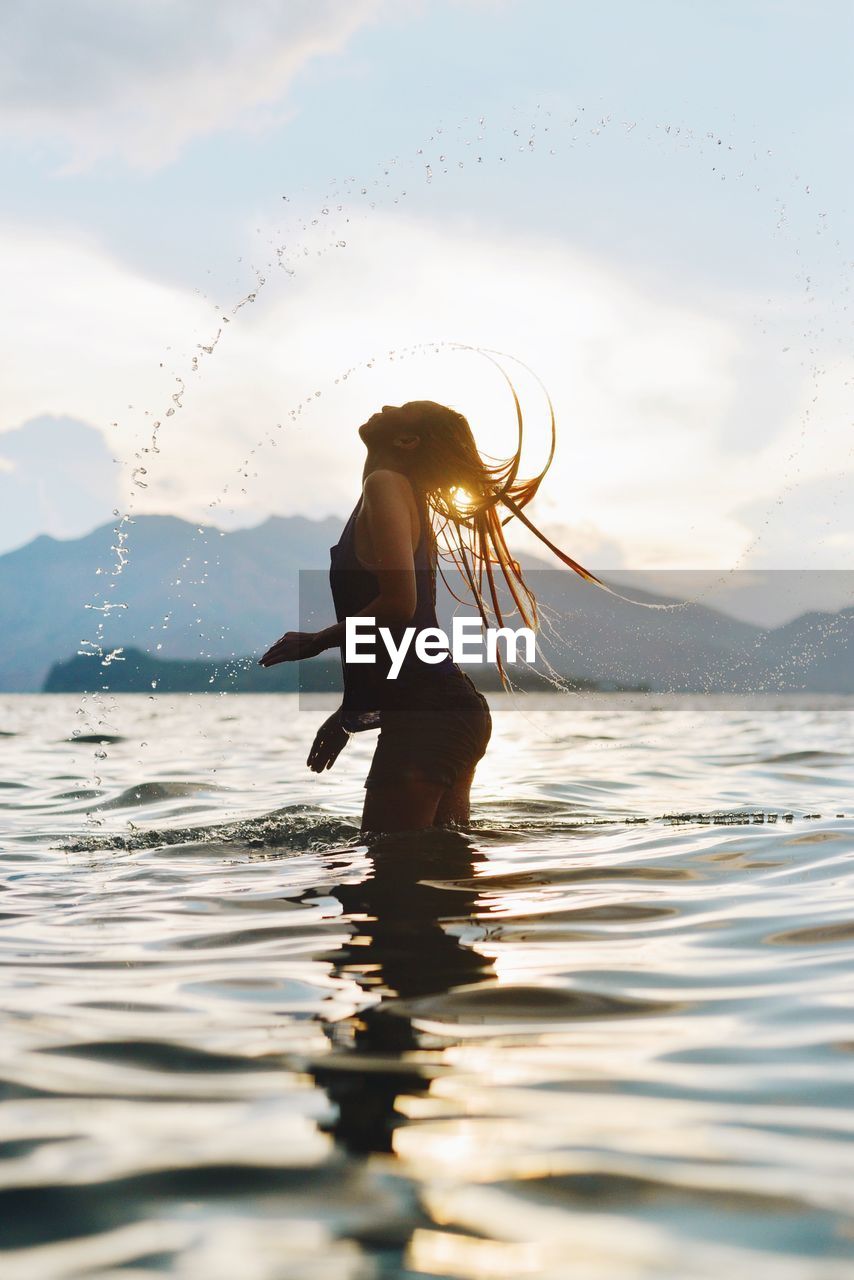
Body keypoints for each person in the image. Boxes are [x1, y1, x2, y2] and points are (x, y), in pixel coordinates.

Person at [259, 398, 604, 833]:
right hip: (444, 709)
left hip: (429, 712)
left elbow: (399, 606)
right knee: (441, 860)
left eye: (401, 408)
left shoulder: (385, 485)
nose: (386, 405)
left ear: (407, 440)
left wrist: (315, 640)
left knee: (392, 862)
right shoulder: (399, 495)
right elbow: (401, 634)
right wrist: (351, 711)